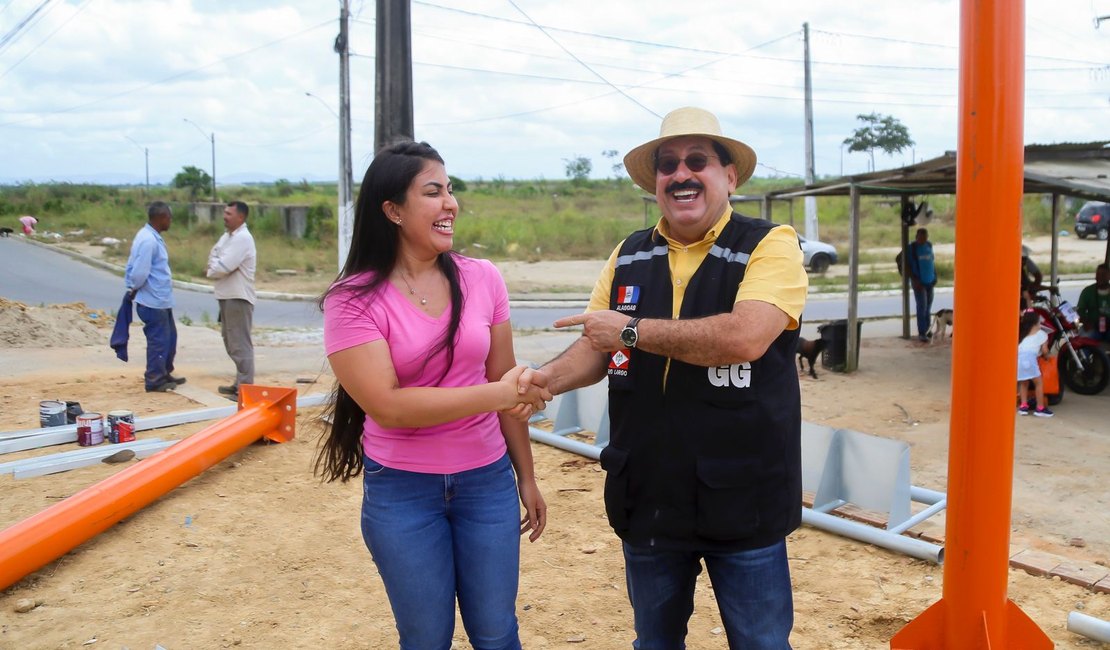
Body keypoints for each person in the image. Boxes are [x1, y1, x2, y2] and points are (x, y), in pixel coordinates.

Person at [525, 107, 808, 648]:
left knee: (762, 644)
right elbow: (595, 345)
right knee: (654, 643)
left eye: (697, 161)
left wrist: (629, 331)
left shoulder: (771, 245)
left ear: (730, 176)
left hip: (742, 497)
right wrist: (544, 381)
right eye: (667, 164)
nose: (681, 174)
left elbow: (745, 337)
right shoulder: (630, 253)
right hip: (649, 494)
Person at [314, 140, 550, 649]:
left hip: (487, 482)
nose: (450, 203)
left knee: (496, 631)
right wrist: (496, 394)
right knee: (425, 638)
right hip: (402, 491)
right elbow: (389, 406)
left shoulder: (483, 278)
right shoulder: (351, 300)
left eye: (450, 190)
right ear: (393, 210)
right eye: (433, 192)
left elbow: (505, 386)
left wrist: (525, 476)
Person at [124, 202, 184, 392]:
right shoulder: (148, 240)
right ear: (162, 217)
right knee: (159, 341)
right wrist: (133, 288)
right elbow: (140, 271)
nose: (171, 221)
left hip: (161, 299)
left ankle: (164, 372)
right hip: (152, 301)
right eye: (169, 217)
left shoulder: (151, 236)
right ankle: (154, 379)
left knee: (169, 339)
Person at [206, 201, 257, 401]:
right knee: (230, 341)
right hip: (226, 295)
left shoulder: (243, 238)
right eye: (224, 212)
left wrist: (213, 268)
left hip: (238, 296)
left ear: (241, 217)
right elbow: (214, 256)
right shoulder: (227, 237)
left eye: (229, 213)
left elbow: (222, 266)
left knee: (239, 343)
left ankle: (245, 389)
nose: (224, 216)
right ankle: (239, 384)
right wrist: (215, 265)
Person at [1017, 309, 1053, 417]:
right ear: (1036, 323)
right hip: (1030, 359)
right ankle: (1040, 408)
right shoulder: (1042, 334)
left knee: (1023, 383)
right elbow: (1045, 351)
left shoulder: (1022, 334)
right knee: (1038, 383)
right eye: (1039, 321)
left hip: (1019, 359)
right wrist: (1047, 357)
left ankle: (1023, 406)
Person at [906, 227, 937, 342]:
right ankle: (922, 332)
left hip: (930, 280)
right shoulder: (912, 248)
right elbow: (908, 266)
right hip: (919, 282)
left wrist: (935, 276)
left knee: (928, 308)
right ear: (916, 237)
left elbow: (932, 261)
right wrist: (914, 279)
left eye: (925, 237)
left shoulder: (929, 245)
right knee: (922, 307)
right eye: (920, 237)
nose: (922, 239)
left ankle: (928, 330)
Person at [1076, 263, 1110, 343]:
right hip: (1093, 326)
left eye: (1103, 275)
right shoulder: (1087, 291)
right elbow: (1080, 311)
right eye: (1098, 274)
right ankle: (1082, 355)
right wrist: (1086, 322)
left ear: (1109, 276)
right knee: (1084, 341)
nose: (1100, 277)